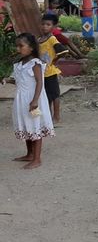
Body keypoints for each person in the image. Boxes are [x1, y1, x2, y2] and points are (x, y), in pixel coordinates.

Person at [2, 33, 55, 169]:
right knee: (26, 126)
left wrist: (35, 100)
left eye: (21, 46)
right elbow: (19, 80)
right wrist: (7, 80)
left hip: (33, 99)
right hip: (21, 100)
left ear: (31, 47)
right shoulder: (19, 64)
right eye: (17, 46)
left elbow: (39, 82)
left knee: (35, 126)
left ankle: (37, 159)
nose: (18, 49)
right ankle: (29, 154)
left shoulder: (35, 63)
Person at [39, 13, 69, 124]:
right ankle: (48, 116)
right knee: (46, 96)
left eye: (48, 24)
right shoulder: (39, 40)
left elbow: (64, 51)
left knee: (55, 95)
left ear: (53, 27)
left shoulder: (52, 39)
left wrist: (55, 60)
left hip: (50, 72)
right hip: (41, 72)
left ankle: (56, 117)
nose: (45, 26)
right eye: (43, 24)